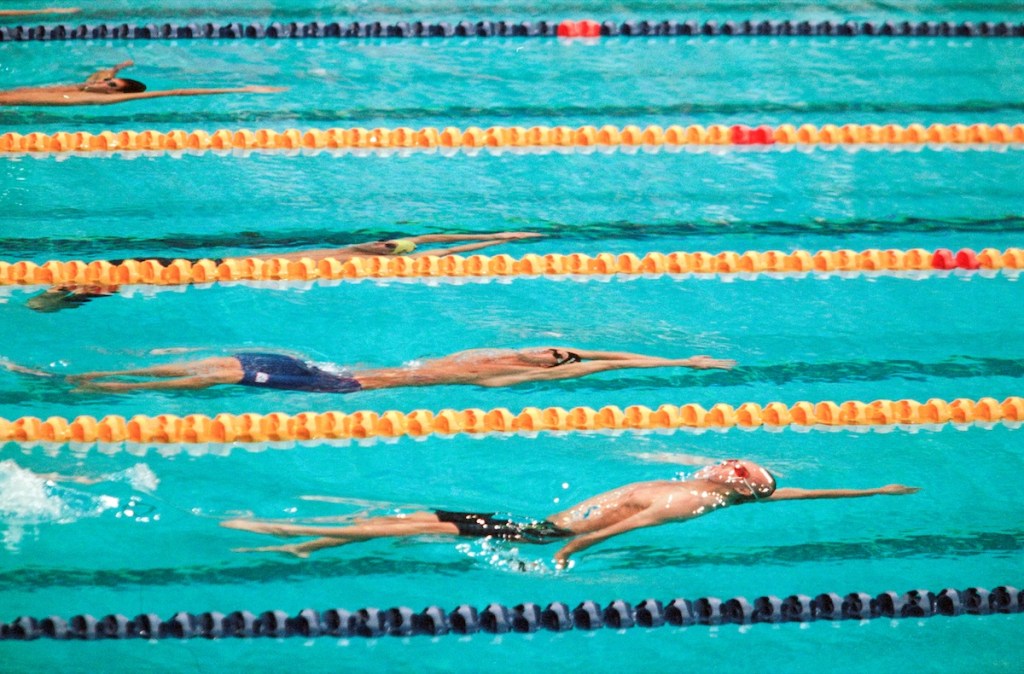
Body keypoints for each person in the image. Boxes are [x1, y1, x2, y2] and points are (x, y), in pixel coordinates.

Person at [219, 458, 919, 565]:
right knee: (426, 515)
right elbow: (786, 495)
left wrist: (568, 552)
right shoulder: (713, 493)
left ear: (729, 485)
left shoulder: (683, 500)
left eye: (731, 469)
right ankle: (309, 545)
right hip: (539, 524)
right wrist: (868, 495)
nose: (720, 463)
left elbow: (632, 525)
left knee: (422, 523)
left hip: (540, 532)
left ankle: (292, 536)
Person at [26, 231, 542, 312]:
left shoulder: (359, 258)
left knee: (121, 279)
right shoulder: (358, 251)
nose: (384, 244)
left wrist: (501, 241)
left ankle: (57, 298)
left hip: (223, 275)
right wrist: (501, 236)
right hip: (223, 267)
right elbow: (432, 240)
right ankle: (60, 292)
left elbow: (439, 252)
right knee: (127, 270)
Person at [62, 347, 735, 392]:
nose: (557, 351)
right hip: (326, 366)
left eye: (562, 356)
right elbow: (598, 350)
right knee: (220, 360)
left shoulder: (498, 377)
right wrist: (669, 356)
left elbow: (587, 368)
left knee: (216, 376)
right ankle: (99, 377)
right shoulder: (508, 349)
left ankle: (95, 387)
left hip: (341, 387)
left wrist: (682, 363)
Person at [0, 60, 284, 106]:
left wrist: (244, 89)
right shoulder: (88, 85)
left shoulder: (104, 98)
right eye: (110, 82)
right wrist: (120, 66)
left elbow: (178, 91)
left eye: (112, 85)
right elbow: (102, 73)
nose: (107, 84)